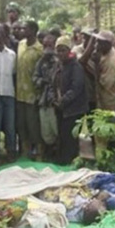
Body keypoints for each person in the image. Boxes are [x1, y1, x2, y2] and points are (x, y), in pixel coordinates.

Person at [53, 36, 88, 165]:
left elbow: (76, 88)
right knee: (62, 136)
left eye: (63, 50)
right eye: (58, 50)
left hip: (74, 109)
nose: (60, 53)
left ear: (69, 51)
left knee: (71, 138)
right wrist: (55, 99)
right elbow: (54, 84)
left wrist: (63, 100)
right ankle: (63, 160)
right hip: (62, 109)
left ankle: (71, 162)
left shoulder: (75, 66)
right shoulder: (59, 65)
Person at [16, 20, 44, 159]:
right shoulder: (20, 45)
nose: (22, 31)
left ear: (33, 31)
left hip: (32, 94)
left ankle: (38, 151)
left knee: (33, 124)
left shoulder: (40, 49)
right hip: (19, 93)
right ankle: (25, 151)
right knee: (21, 124)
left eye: (25, 28)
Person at [0, 25, 17, 162]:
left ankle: (11, 152)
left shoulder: (12, 55)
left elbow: (14, 74)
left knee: (10, 126)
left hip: (9, 94)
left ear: (4, 37)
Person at [33, 34, 59, 161]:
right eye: (45, 45)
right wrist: (41, 81)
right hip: (43, 101)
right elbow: (35, 78)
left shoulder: (59, 61)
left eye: (50, 45)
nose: (47, 48)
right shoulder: (40, 62)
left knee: (57, 130)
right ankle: (48, 154)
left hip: (55, 102)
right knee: (46, 133)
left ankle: (58, 154)